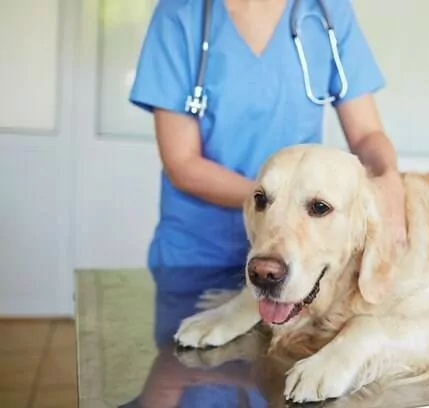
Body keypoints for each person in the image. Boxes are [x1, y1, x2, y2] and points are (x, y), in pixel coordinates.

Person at [129, 0, 406, 347]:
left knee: (278, 387)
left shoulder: (326, 11)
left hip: (303, 260)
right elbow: (183, 163)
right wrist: (280, 202)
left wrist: (390, 181)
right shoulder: (181, 13)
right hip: (199, 253)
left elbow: (367, 136)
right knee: (191, 378)